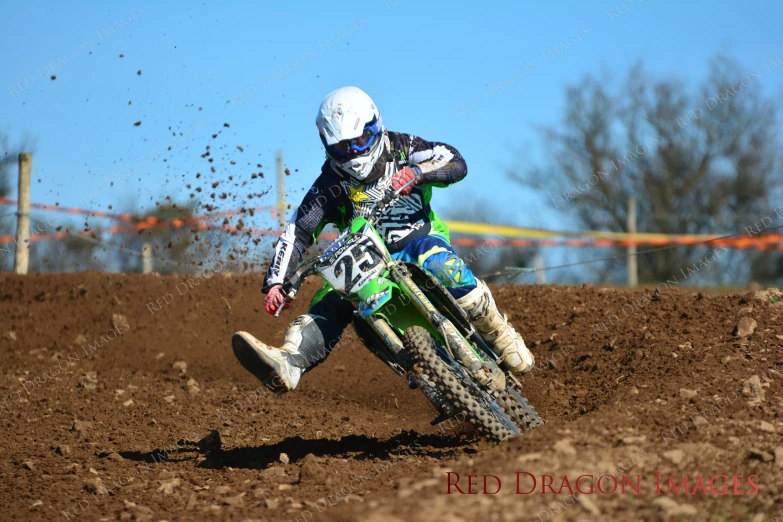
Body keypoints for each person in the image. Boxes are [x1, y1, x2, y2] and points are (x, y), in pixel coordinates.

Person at [232, 86, 534, 392]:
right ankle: (289, 361)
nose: (353, 153)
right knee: (330, 299)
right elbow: (298, 230)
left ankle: (498, 332)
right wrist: (276, 281)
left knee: (442, 266)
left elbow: (453, 160)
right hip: (366, 263)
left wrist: (418, 171)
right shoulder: (329, 185)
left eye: (360, 140)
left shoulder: (403, 147)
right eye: (342, 148)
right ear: (327, 147)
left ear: (375, 126)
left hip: (418, 241)